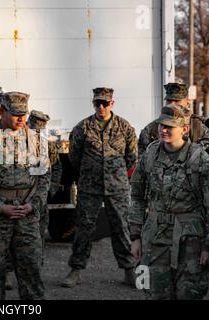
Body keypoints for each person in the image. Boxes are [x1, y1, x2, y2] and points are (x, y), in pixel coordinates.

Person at [0, 91, 50, 300]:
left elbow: (44, 177)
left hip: (27, 215)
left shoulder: (35, 139)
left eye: (24, 113)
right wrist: (0, 207)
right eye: (15, 114)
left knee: (31, 271)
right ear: (2, 111)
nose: (21, 119)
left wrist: (33, 204)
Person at [130, 104, 209, 299]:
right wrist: (135, 237)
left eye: (169, 127)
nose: (163, 130)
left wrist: (208, 246)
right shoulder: (150, 153)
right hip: (155, 238)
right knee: (153, 292)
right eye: (161, 125)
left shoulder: (200, 159)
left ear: (184, 129)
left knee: (189, 293)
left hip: (190, 241)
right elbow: (137, 196)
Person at [62, 87, 137, 288]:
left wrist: (116, 174)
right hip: (90, 188)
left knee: (121, 227)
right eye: (97, 103)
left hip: (117, 187)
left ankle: (129, 270)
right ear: (93, 103)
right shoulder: (83, 128)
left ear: (112, 103)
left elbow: (132, 157)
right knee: (84, 229)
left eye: (105, 103)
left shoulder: (124, 127)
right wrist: (90, 172)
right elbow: (74, 157)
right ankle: (76, 270)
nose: (101, 106)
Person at [27, 110, 63, 258]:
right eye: (33, 128)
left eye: (39, 130)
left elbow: (56, 168)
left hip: (39, 195)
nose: (35, 132)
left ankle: (37, 260)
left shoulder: (48, 146)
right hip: (21, 194)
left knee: (39, 229)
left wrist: (50, 189)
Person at [138, 82, 209, 156]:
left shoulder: (200, 127)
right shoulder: (151, 129)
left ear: (188, 102)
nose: (172, 104)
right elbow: (142, 159)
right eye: (169, 100)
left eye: (177, 101)